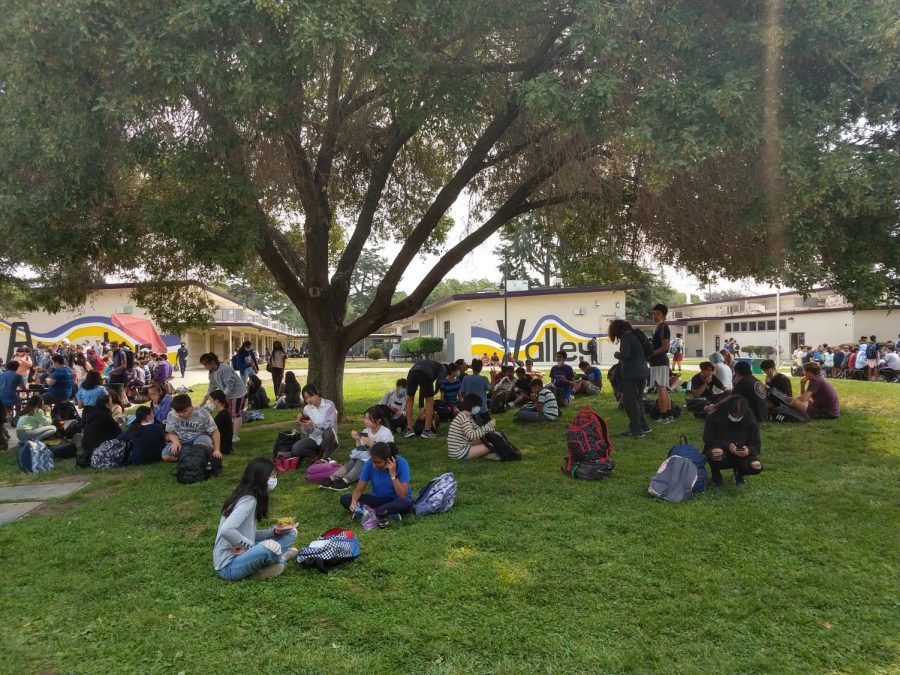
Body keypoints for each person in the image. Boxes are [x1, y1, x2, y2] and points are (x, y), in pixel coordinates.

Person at [213, 457, 299, 580]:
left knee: (291, 532)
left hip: (242, 553)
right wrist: (249, 547)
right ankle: (281, 559)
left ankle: (275, 557)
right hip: (229, 566)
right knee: (270, 546)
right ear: (261, 478)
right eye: (272, 475)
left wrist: (275, 532)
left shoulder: (250, 496)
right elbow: (226, 530)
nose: (274, 478)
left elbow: (249, 534)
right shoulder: (248, 500)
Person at [320, 406, 395, 490]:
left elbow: (389, 452)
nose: (366, 421)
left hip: (380, 460)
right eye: (365, 418)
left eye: (369, 419)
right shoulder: (366, 431)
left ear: (378, 420)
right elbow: (360, 449)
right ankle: (333, 477)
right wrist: (357, 440)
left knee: (361, 461)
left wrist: (372, 444)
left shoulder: (385, 432)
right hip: (367, 456)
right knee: (353, 461)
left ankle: (346, 480)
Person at [340, 442, 413, 528]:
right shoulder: (369, 464)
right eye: (373, 461)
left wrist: (393, 474)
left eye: (378, 462)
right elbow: (359, 489)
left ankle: (368, 513)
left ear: (388, 460)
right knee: (345, 499)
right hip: (377, 499)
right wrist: (354, 502)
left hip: (396, 500)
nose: (374, 465)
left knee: (405, 503)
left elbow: (402, 495)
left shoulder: (402, 464)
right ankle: (385, 515)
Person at [703, 396, 763, 488]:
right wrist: (726, 445)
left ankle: (740, 474)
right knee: (716, 453)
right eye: (734, 415)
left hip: (742, 455)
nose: (737, 417)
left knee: (756, 466)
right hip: (722, 452)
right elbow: (708, 438)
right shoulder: (715, 417)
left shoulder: (750, 421)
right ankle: (716, 476)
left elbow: (756, 444)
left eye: (740, 415)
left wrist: (748, 450)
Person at [608, 319, 650, 438]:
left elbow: (625, 355)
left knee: (631, 403)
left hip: (632, 373)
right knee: (638, 401)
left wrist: (617, 354)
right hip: (642, 371)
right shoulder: (635, 334)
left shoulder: (626, 337)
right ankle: (644, 426)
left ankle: (636, 430)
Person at [199, 352, 247, 442]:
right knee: (228, 414)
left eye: (205, 364)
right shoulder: (212, 372)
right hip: (228, 394)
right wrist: (202, 403)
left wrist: (221, 399)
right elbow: (211, 387)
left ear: (212, 362)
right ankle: (230, 433)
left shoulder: (225, 368)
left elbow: (229, 386)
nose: (205, 367)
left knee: (235, 414)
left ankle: (235, 436)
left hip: (238, 393)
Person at [163, 393, 223, 463]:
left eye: (185, 411)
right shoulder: (171, 415)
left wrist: (217, 450)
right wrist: (176, 442)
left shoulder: (203, 413)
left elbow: (215, 432)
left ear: (191, 405)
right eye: (178, 412)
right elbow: (171, 433)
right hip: (182, 441)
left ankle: (195, 456)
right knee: (165, 456)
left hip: (200, 438)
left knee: (201, 447)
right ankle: (194, 457)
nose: (182, 414)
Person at [288, 384, 338, 462]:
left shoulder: (329, 405)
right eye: (306, 398)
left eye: (310, 396)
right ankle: (315, 457)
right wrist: (304, 424)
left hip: (329, 440)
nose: (309, 400)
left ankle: (326, 457)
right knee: (295, 449)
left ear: (317, 393)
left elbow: (329, 424)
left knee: (328, 432)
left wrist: (314, 424)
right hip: (314, 439)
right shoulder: (306, 408)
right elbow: (308, 432)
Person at [446, 393, 499, 459]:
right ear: (473, 406)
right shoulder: (464, 418)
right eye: (478, 406)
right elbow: (472, 435)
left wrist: (490, 430)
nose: (479, 408)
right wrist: (488, 426)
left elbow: (477, 429)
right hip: (459, 452)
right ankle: (486, 454)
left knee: (487, 440)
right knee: (491, 445)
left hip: (461, 447)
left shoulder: (466, 416)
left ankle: (483, 453)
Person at [404, 359, 447, 439]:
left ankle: (409, 429)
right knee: (430, 401)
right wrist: (436, 391)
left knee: (409, 400)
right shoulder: (443, 368)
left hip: (412, 373)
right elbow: (439, 382)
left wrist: (421, 406)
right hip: (424, 373)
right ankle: (427, 431)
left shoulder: (432, 364)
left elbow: (422, 391)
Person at [649, 304, 673, 424]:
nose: (655, 316)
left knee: (661, 389)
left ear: (663, 315)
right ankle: (669, 415)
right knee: (663, 388)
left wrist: (650, 354)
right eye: (653, 313)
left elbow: (665, 347)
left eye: (657, 313)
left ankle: (664, 417)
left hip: (659, 361)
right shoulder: (659, 327)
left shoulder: (663, 327)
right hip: (658, 362)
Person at [208, 390, 234, 456]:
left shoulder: (221, 415)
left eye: (211, 400)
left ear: (216, 401)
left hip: (223, 447)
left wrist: (209, 415)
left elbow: (211, 430)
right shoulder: (225, 412)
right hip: (226, 445)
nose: (210, 403)